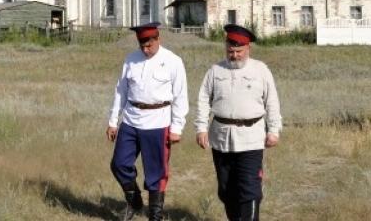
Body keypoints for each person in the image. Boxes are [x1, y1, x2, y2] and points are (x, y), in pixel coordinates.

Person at [194, 25, 281, 221]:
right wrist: (201, 128)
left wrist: (274, 130)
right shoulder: (215, 71)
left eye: (238, 51)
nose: (234, 56)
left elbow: (272, 101)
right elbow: (203, 99)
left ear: (248, 49)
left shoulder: (261, 70)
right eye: (230, 51)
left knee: (249, 188)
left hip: (251, 138)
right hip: (221, 138)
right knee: (226, 190)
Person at [106, 22, 188, 221]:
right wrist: (113, 121)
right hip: (131, 120)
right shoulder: (131, 60)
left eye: (149, 45)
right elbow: (121, 91)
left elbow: (180, 96)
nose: (145, 49)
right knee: (119, 164)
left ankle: (155, 215)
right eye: (141, 45)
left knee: (156, 173)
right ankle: (134, 201)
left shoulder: (173, 61)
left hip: (158, 123)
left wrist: (177, 127)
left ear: (157, 39)